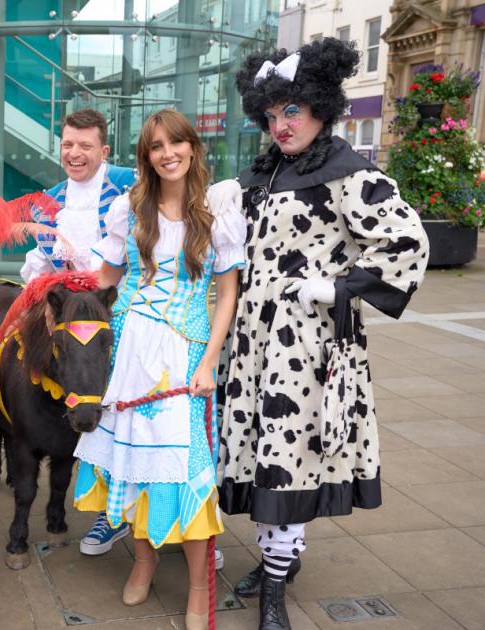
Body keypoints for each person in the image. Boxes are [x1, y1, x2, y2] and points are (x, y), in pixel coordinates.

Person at [215, 38, 429, 630]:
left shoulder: (348, 173)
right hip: (253, 340)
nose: (281, 125)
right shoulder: (261, 172)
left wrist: (339, 286)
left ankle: (276, 593)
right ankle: (279, 558)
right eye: (272, 113)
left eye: (293, 111)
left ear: (321, 106)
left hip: (305, 346)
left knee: (291, 456)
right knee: (261, 453)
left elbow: (408, 244)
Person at [72, 109, 244, 629]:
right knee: (130, 465)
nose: (167, 153)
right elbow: (105, 276)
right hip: (129, 351)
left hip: (185, 356)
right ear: (146, 156)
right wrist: (60, 292)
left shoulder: (218, 212)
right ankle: (144, 563)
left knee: (187, 471)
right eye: (155, 146)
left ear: (193, 147)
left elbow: (227, 295)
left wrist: (210, 361)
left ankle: (197, 587)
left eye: (175, 143)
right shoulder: (131, 208)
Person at [21, 108, 137, 556]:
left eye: (85, 145)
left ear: (103, 149)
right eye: (68, 144)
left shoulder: (131, 183)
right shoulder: (48, 199)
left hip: (124, 315)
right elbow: (42, 260)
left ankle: (150, 509)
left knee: (130, 415)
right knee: (88, 418)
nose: (75, 153)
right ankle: (108, 512)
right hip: (70, 324)